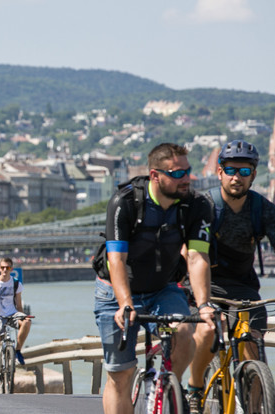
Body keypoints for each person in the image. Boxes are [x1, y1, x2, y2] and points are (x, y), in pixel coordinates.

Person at [93, 143, 215, 414]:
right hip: (115, 291)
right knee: (121, 375)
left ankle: (170, 385)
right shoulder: (125, 202)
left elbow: (196, 258)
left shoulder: (196, 205)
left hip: (163, 289)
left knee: (184, 333)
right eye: (177, 173)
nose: (186, 178)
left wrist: (204, 304)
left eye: (188, 171)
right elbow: (117, 260)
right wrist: (126, 304)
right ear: (155, 175)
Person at [186, 139, 275, 413]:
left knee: (252, 344)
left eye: (245, 171)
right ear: (220, 171)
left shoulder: (264, 209)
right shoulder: (204, 206)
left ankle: (254, 404)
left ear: (254, 175)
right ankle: (195, 386)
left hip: (243, 288)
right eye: (232, 170)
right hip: (205, 287)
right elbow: (191, 253)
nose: (238, 177)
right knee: (208, 331)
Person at [0, 257, 32, 393]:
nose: (5, 270)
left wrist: (22, 316)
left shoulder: (16, 283)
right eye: (3, 267)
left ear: (11, 269)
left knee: (27, 322)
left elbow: (19, 304)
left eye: (8, 267)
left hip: (12, 314)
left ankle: (17, 350)